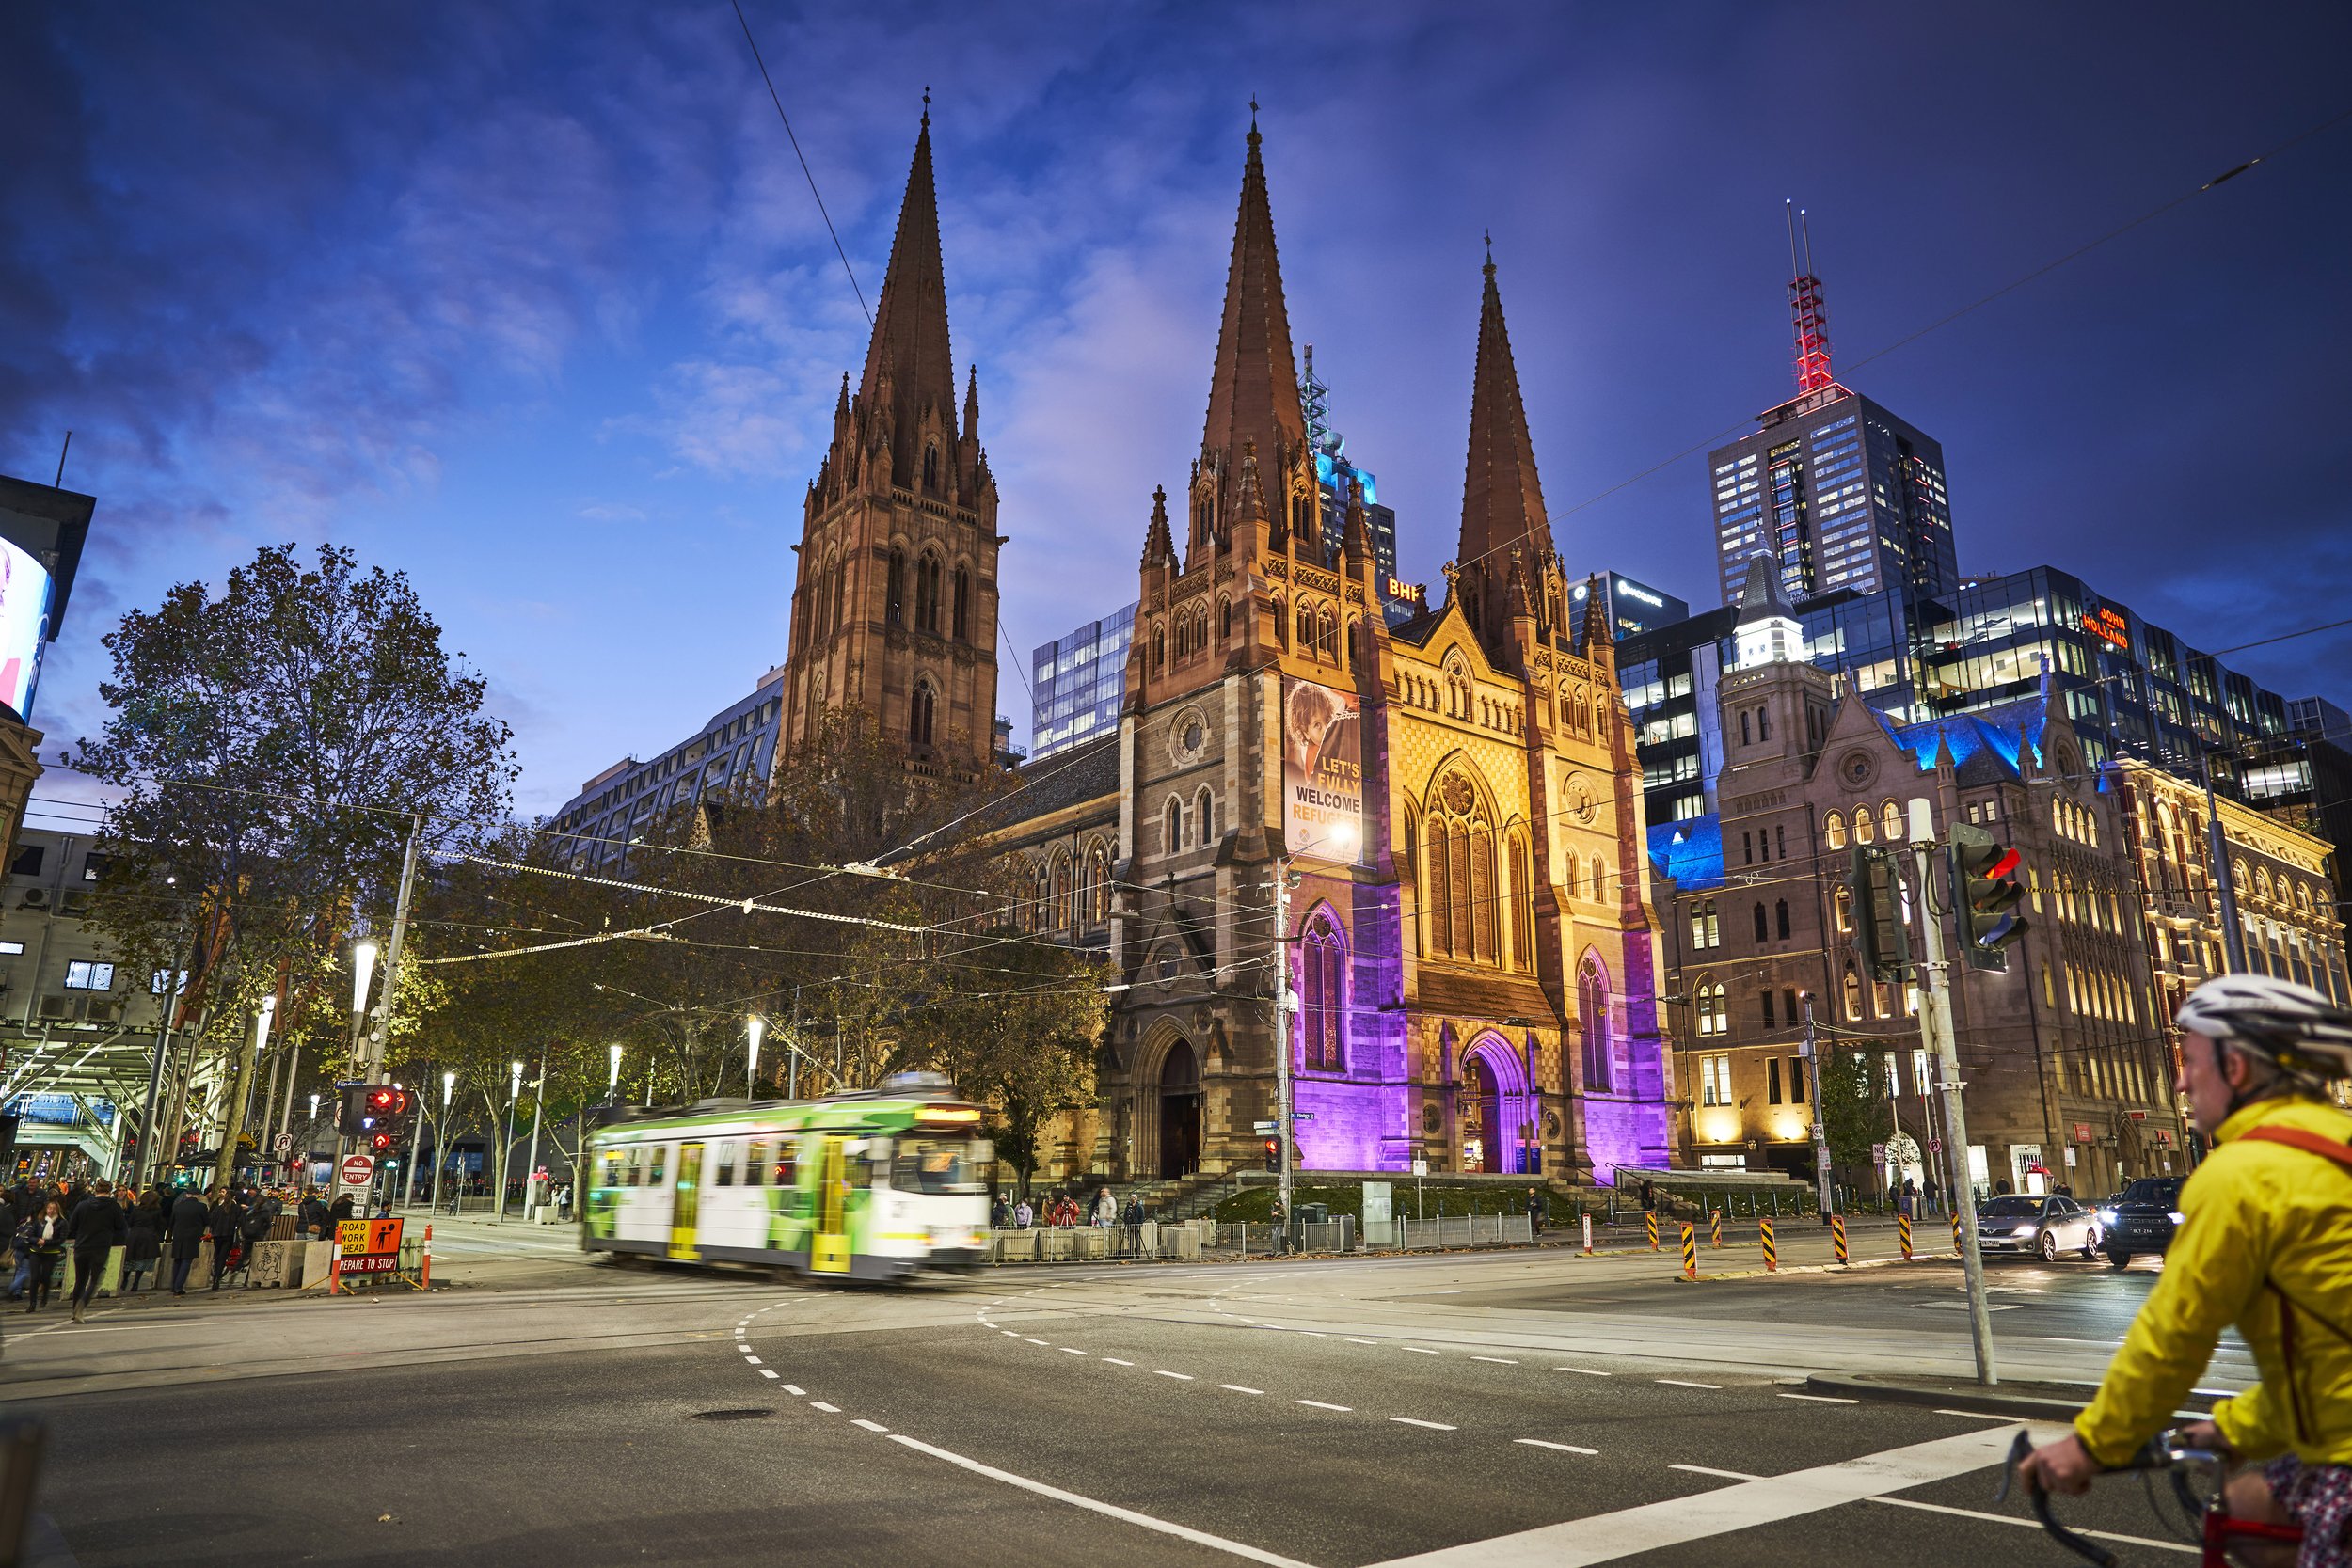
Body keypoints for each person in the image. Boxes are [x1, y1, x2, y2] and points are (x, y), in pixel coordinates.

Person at [2016, 975, 2352, 1564]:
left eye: (2190, 1059)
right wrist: (2233, 1431)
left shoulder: (2244, 1174)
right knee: (2250, 1501)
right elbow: (2329, 1371)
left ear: (2238, 1067)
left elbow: (2172, 1341)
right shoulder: (2333, 1145)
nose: (2180, 1079)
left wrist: (2091, 1445)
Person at [64, 1179, 128, 1323]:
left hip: (81, 1246)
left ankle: (74, 1310)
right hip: (101, 1247)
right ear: (110, 1191)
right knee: (95, 1280)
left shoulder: (82, 1205)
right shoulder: (114, 1207)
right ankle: (82, 1306)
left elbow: (72, 1226)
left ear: (95, 1190)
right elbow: (122, 1229)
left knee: (80, 1280)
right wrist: (115, 1241)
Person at [19, 1200, 67, 1313]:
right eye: (49, 1208)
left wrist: (46, 1243)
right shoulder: (39, 1220)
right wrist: (37, 1241)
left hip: (51, 1253)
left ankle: (45, 1296)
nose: (51, 1210)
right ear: (46, 1209)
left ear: (57, 1210)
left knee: (45, 1277)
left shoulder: (62, 1222)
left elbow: (61, 1239)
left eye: (54, 1208)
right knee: (34, 1278)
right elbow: (30, 1235)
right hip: (36, 1252)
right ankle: (32, 1304)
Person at [167, 1187, 211, 1296]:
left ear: (187, 1195)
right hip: (192, 1236)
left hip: (178, 1236)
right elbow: (207, 1221)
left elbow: (171, 1222)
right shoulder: (201, 1207)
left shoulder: (178, 1206)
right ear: (198, 1196)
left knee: (177, 1260)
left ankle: (174, 1285)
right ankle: (179, 1286)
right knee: (186, 1261)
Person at [123, 1193, 163, 1293]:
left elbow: (130, 1223)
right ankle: (136, 1282)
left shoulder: (136, 1210)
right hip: (149, 1237)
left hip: (134, 1235)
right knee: (142, 1261)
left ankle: (125, 1279)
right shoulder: (157, 1211)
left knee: (129, 1259)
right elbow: (159, 1225)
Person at [206, 1189, 246, 1290]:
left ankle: (215, 1276)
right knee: (223, 1257)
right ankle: (217, 1278)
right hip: (228, 1235)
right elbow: (240, 1222)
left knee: (218, 1255)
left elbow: (211, 1221)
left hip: (217, 1235)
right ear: (234, 1197)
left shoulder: (218, 1209)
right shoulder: (236, 1209)